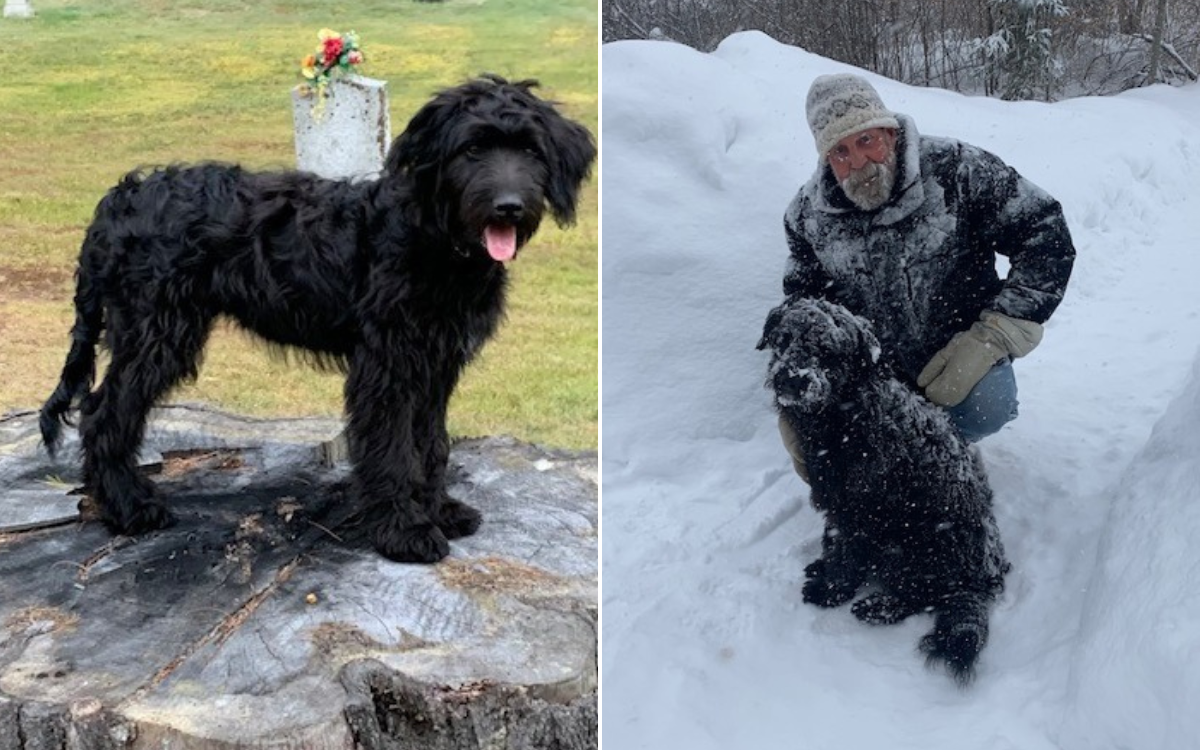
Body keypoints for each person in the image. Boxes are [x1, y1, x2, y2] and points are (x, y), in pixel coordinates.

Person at [775, 73, 1075, 481]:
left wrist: (993, 337)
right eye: (840, 151)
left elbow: (1043, 234)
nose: (858, 162)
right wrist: (799, 406)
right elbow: (806, 308)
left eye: (866, 140)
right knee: (838, 454)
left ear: (890, 132)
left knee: (986, 406)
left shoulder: (958, 171)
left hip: (961, 352)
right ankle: (897, 461)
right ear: (826, 158)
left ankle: (940, 452)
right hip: (873, 372)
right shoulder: (808, 218)